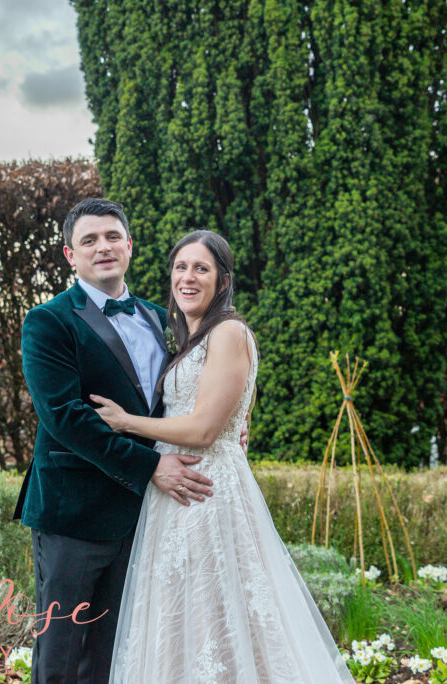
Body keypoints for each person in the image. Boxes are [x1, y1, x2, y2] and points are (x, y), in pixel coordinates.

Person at [92, 230, 355, 683]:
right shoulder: (189, 338)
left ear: (223, 279)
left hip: (207, 496)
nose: (187, 277)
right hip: (174, 495)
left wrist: (126, 422)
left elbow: (204, 428)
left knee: (214, 615)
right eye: (180, 266)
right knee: (183, 616)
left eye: (201, 268)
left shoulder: (230, 331)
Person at [12, 198, 217, 684]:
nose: (102, 247)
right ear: (70, 255)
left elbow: (180, 398)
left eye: (111, 237)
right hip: (74, 513)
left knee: (118, 650)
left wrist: (226, 424)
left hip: (146, 515)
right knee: (61, 653)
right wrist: (151, 467)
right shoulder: (48, 321)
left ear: (129, 245)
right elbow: (66, 418)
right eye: (89, 240)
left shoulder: (159, 318)